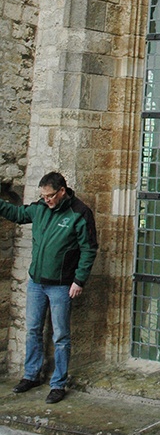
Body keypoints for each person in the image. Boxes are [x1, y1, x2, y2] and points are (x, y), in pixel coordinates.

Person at [0, 172, 98, 404]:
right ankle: (31, 375)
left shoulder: (80, 214)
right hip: (36, 282)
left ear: (62, 191)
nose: (47, 200)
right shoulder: (40, 209)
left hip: (62, 286)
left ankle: (58, 384)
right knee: (33, 329)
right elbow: (17, 214)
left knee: (61, 335)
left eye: (51, 196)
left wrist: (79, 280)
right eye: (43, 196)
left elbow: (89, 249)